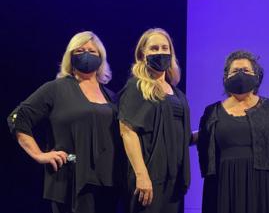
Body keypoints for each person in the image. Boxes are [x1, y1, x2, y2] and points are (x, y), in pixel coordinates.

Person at [7, 31, 125, 213]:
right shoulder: (55, 89)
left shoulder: (112, 96)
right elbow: (18, 118)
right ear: (70, 56)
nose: (86, 55)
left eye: (92, 51)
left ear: (101, 58)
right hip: (70, 183)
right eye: (80, 51)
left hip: (108, 184)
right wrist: (39, 154)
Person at [197, 50, 269, 213]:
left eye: (245, 70)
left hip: (263, 184)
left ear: (256, 76)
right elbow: (203, 139)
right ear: (225, 78)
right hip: (223, 184)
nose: (240, 75)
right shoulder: (211, 112)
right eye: (235, 71)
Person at [118, 28, 191, 213]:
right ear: (143, 54)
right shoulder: (137, 86)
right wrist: (142, 176)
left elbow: (178, 134)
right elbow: (127, 131)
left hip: (174, 179)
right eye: (154, 48)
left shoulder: (177, 93)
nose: (160, 52)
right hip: (149, 176)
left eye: (165, 48)